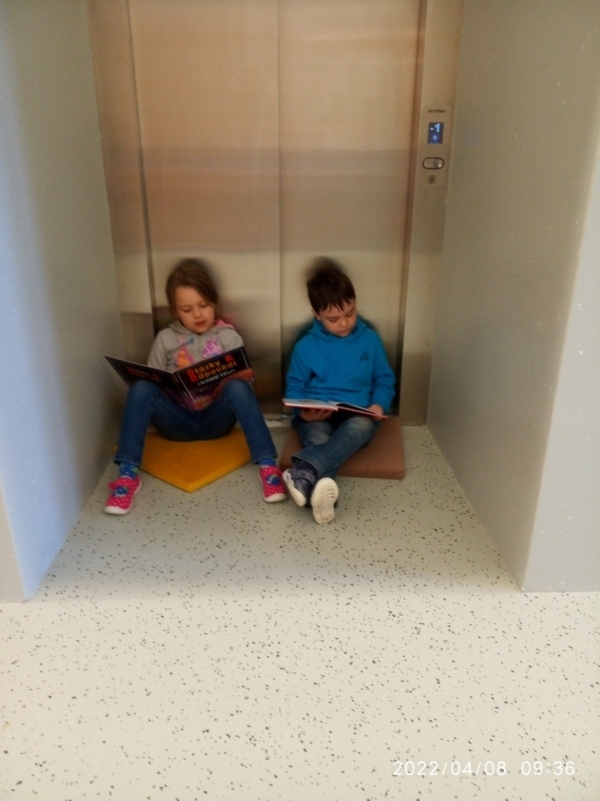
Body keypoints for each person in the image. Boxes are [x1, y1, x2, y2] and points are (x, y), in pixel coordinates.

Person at [104, 258, 287, 514]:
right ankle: (127, 475)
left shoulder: (228, 337)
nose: (198, 314)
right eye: (187, 309)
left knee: (238, 388)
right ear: (175, 311)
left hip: (215, 420)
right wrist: (166, 382)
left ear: (214, 302)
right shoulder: (166, 339)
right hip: (176, 422)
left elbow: (246, 387)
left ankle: (268, 467)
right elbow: (152, 382)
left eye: (203, 305)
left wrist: (237, 380)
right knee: (141, 388)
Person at [282, 257, 395, 524]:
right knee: (318, 438)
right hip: (318, 414)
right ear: (316, 314)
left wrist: (378, 405)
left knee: (362, 426)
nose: (344, 323)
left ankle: (304, 470)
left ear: (355, 303)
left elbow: (384, 379)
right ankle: (323, 498)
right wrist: (304, 413)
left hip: (357, 412)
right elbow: (294, 387)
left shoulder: (370, 340)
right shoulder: (306, 346)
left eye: (350, 313)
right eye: (333, 319)